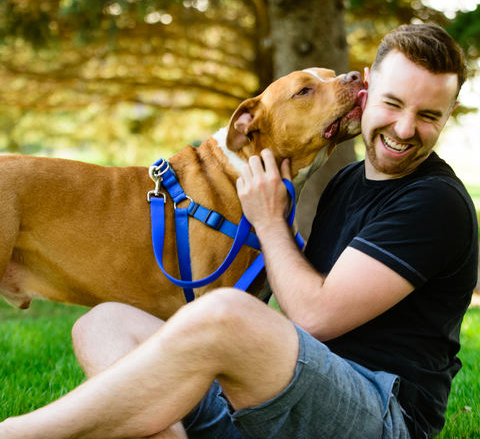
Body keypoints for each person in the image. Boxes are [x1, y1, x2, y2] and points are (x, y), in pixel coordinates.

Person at [0, 23, 478, 439]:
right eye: (393, 103)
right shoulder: (347, 181)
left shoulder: (434, 202)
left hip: (375, 416)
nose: (405, 126)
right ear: (368, 90)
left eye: (429, 115)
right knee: (102, 322)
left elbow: (312, 315)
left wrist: (269, 222)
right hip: (276, 401)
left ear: (449, 114)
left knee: (225, 309)